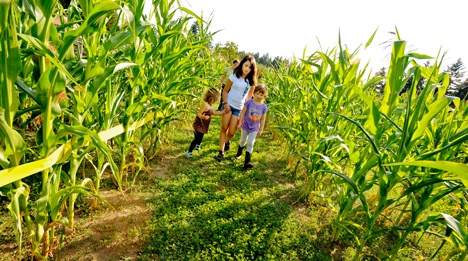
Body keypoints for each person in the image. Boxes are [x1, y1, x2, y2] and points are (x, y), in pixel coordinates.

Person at [216, 54, 258, 162]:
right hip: (228, 105)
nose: (247, 68)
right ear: (242, 64)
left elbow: (248, 101)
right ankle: (221, 152)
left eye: (250, 67)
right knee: (224, 128)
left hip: (238, 109)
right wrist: (225, 103)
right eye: (246, 65)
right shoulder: (234, 76)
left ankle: (227, 141)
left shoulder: (250, 83)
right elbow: (225, 91)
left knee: (231, 133)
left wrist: (243, 115)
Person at [235, 84, 268, 170]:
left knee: (251, 143)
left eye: (261, 95)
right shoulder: (249, 102)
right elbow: (242, 113)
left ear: (264, 96)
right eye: (257, 93)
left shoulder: (264, 107)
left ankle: (247, 162)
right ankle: (239, 152)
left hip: (255, 128)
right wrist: (239, 122)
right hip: (245, 125)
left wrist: (261, 129)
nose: (259, 96)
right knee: (243, 140)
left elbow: (263, 119)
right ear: (253, 93)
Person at [185, 88, 224, 158]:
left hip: (203, 126)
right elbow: (199, 113)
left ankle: (197, 145)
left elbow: (214, 112)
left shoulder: (210, 105)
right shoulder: (205, 105)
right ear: (211, 98)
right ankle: (189, 152)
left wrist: (223, 112)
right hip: (199, 125)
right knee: (196, 138)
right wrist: (203, 117)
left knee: (200, 137)